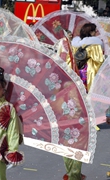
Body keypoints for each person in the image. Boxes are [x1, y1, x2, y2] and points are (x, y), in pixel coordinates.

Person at [62, 23, 104, 180]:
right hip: (89, 76)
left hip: (76, 77)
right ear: (92, 32)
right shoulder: (95, 45)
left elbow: (67, 61)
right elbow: (99, 61)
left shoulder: (74, 45)